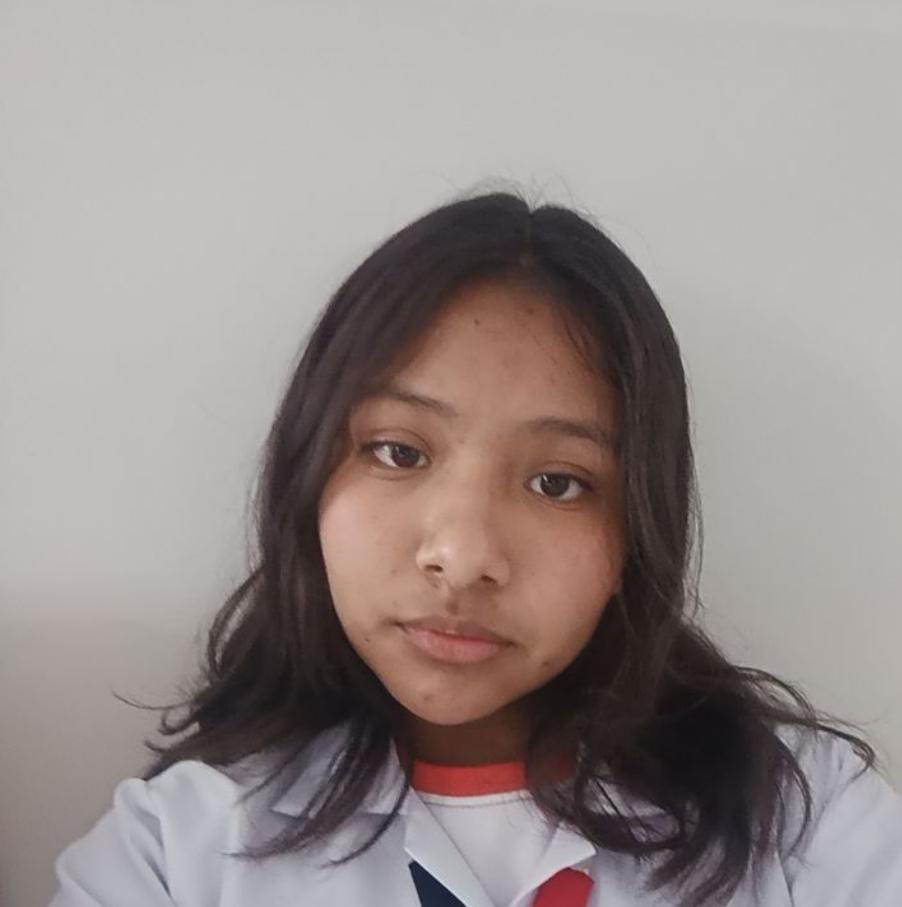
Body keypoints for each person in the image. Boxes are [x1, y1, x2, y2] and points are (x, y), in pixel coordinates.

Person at [49, 192, 902, 907]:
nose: (461, 557)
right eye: (398, 451)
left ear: (638, 530)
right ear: (307, 479)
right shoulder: (174, 853)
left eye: (558, 482)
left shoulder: (807, 822)